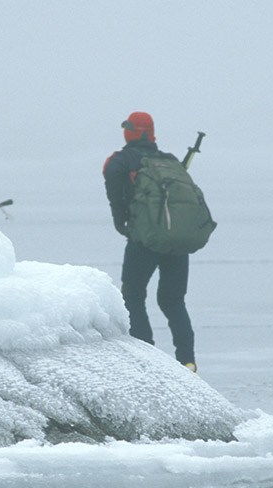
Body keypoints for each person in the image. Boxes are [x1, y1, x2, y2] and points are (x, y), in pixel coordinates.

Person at [102, 112, 197, 372]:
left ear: (131, 132)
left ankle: (148, 359)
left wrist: (122, 224)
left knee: (133, 296)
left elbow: (115, 196)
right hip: (175, 239)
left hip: (143, 241)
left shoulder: (119, 161)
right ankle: (187, 361)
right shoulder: (170, 161)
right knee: (173, 301)